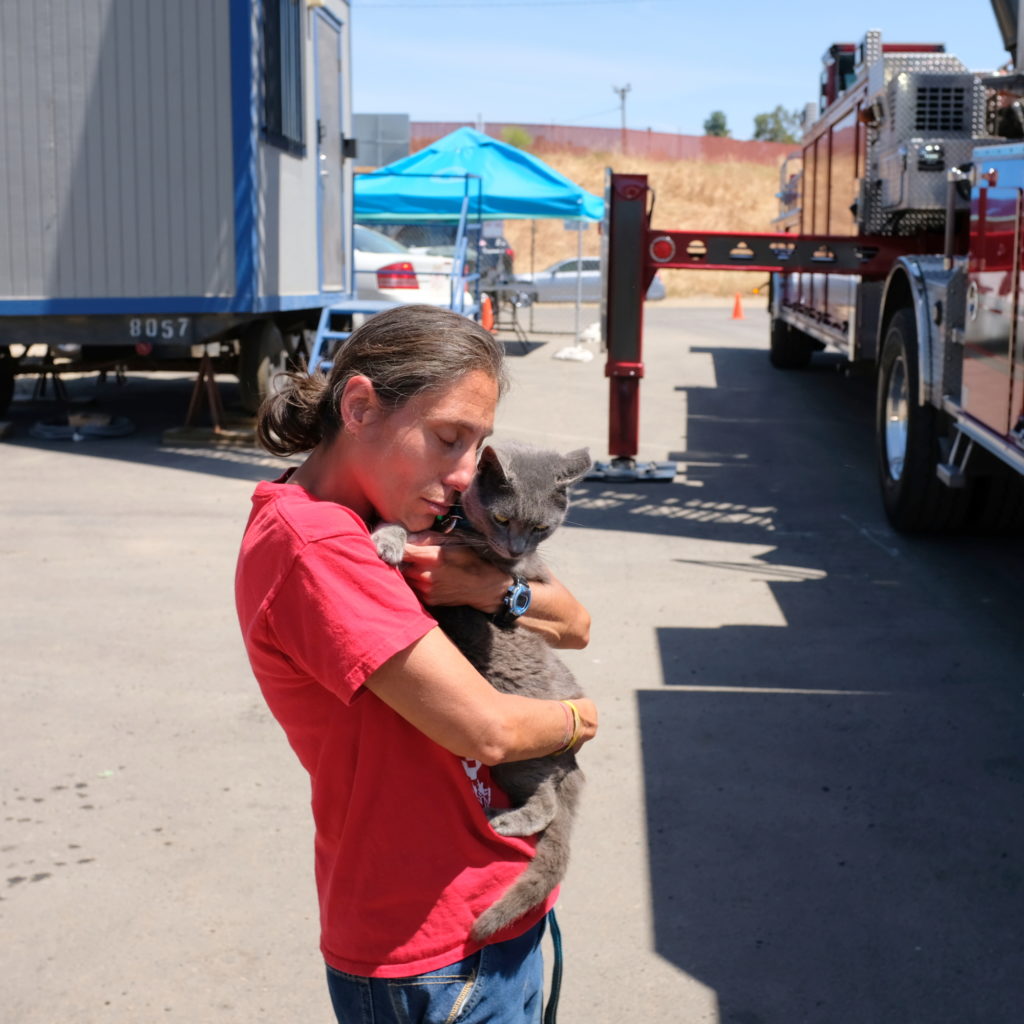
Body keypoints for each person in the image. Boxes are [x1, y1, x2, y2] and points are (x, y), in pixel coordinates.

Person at [234, 304, 599, 1024]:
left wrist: (490, 587)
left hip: (493, 901)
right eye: (447, 438)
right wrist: (579, 719)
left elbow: (577, 623)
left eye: (479, 445)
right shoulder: (319, 548)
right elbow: (489, 732)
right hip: (433, 947)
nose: (467, 475)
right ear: (361, 406)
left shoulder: (401, 511)